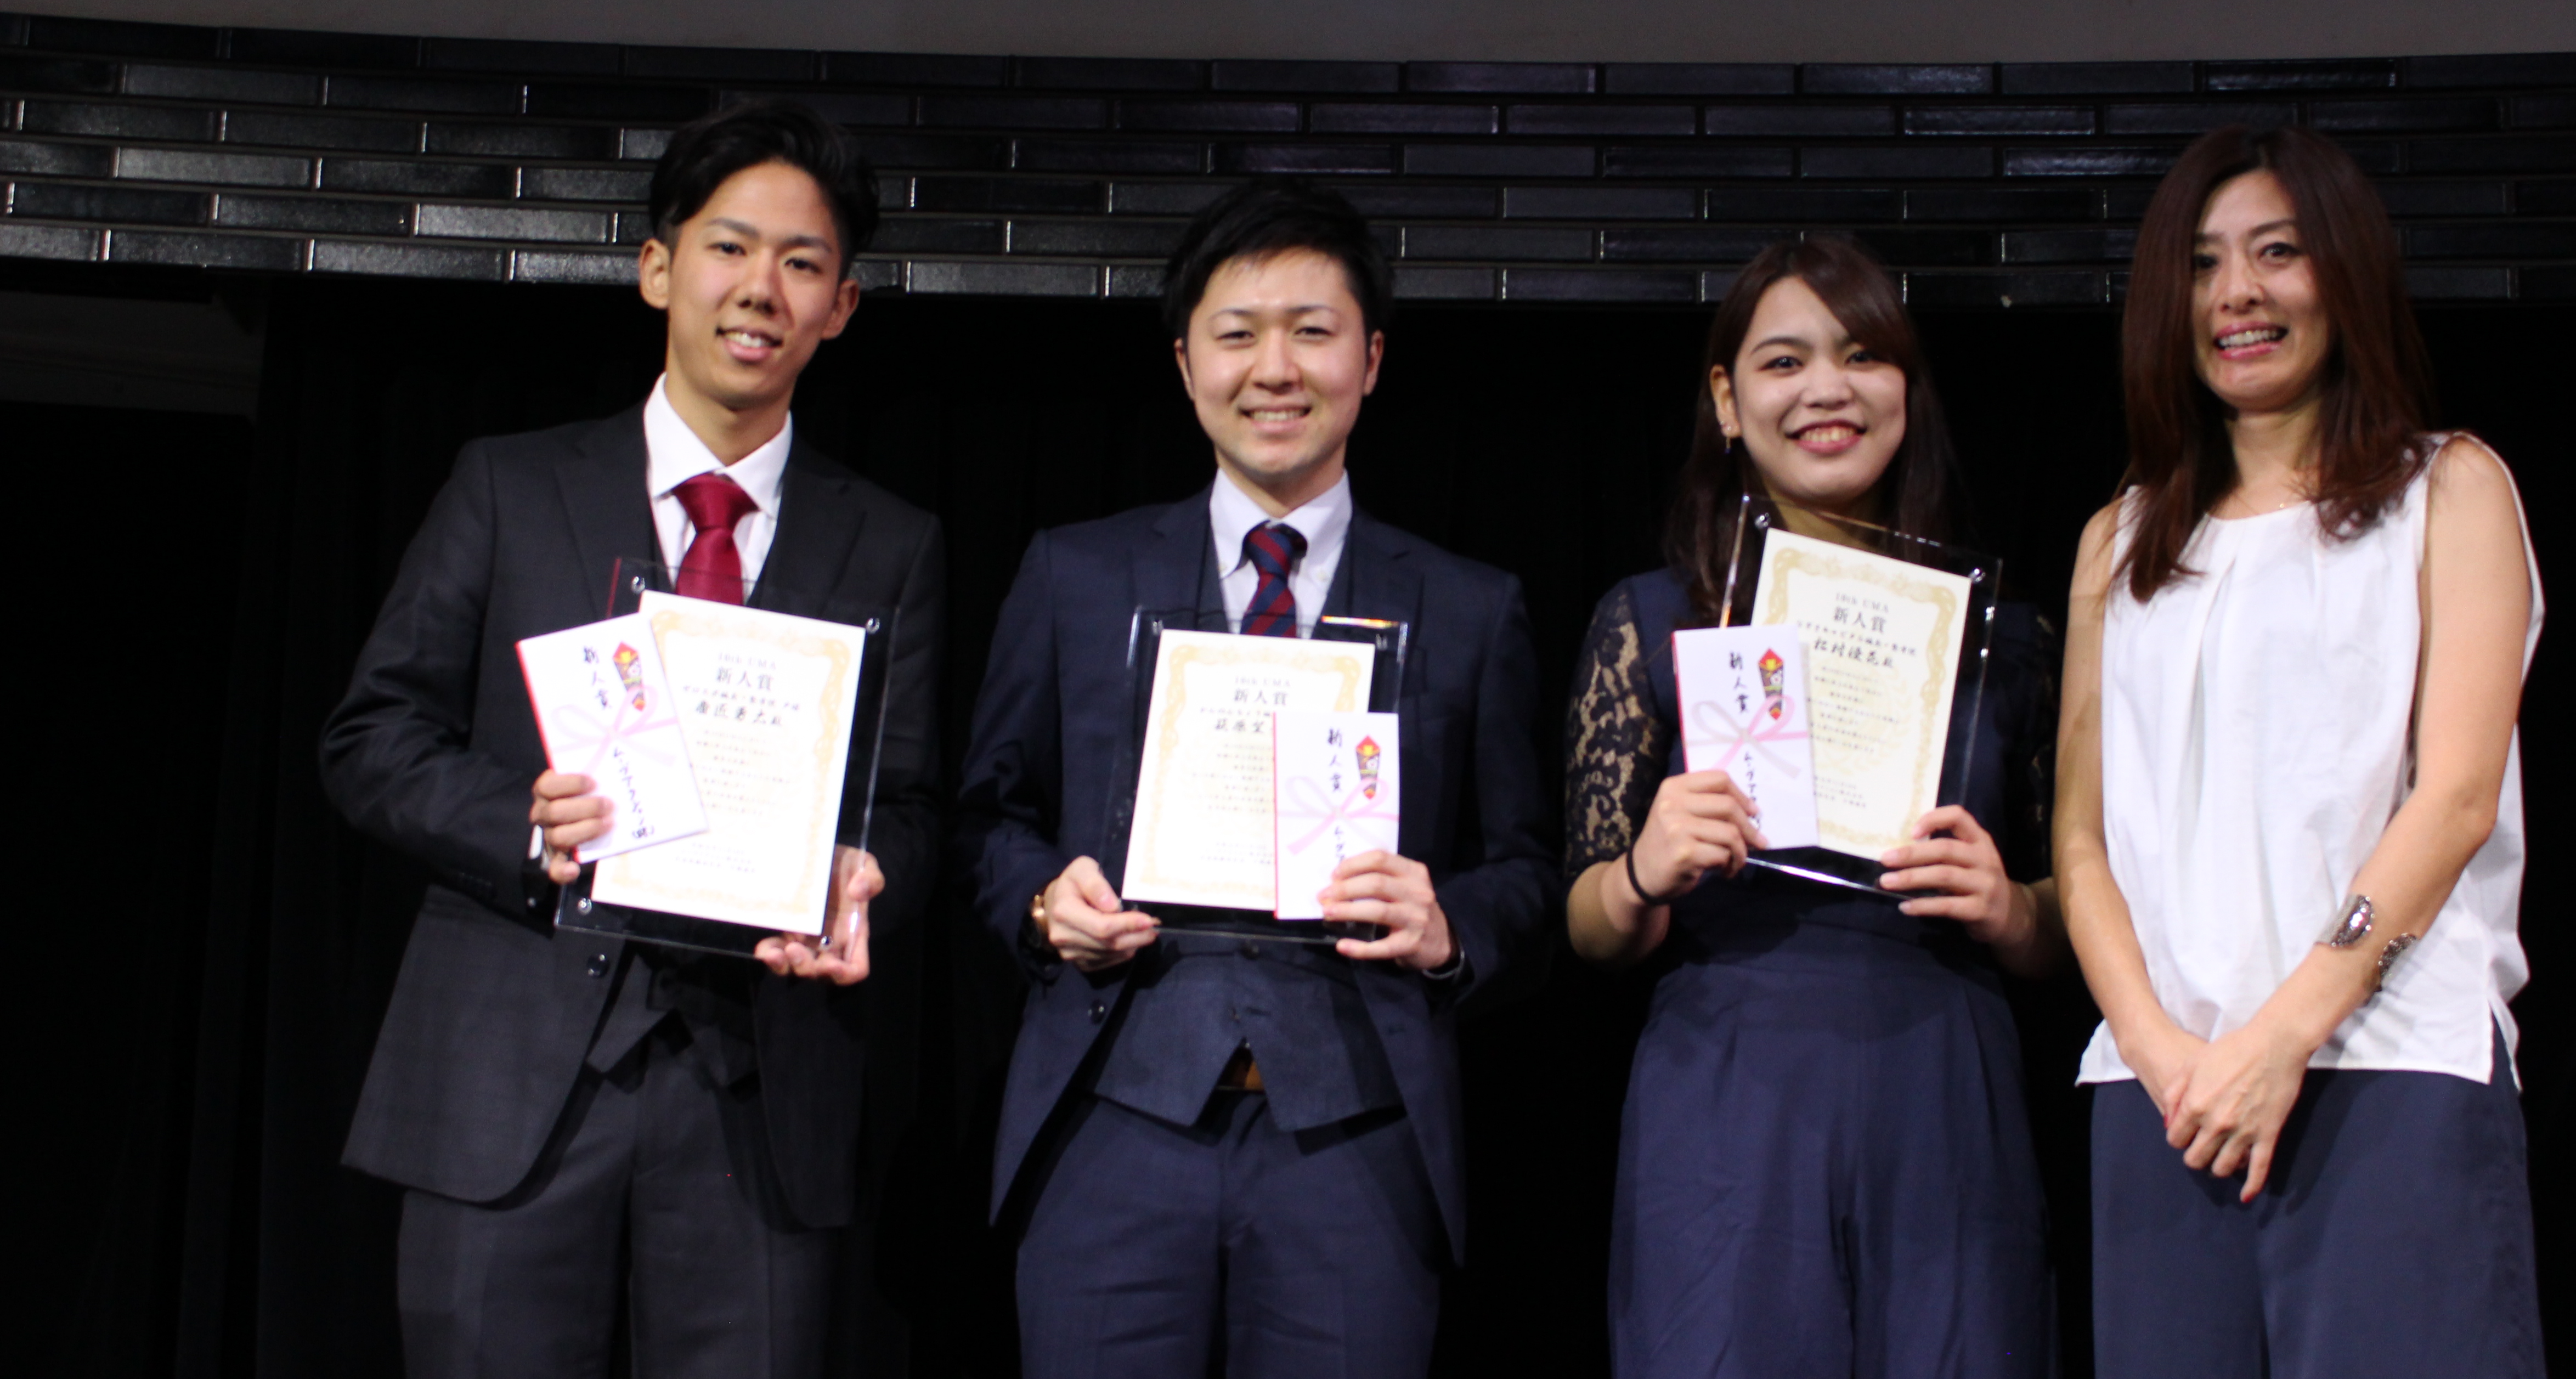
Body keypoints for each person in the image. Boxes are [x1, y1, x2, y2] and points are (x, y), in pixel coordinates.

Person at [320, 99, 944, 1378]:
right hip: (508, 1076)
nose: (760, 288)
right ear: (658, 267)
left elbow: (915, 803)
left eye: (802, 262)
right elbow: (372, 736)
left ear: (841, 306)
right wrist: (523, 824)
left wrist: (867, 873)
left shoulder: (891, 541)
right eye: (729, 247)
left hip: (759, 1096)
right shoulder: (510, 484)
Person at [955, 179, 1555, 1378]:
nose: (1274, 368)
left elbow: (1528, 867)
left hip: (1359, 1138)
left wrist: (1448, 927)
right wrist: (1043, 903)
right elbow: (989, 818)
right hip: (1111, 1119)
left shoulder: (1470, 605)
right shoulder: (1076, 575)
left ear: (1370, 360)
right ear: (1187, 366)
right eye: (1237, 334)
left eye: (1312, 331)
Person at [2052, 125, 2546, 1377]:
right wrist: (2162, 1052)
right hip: (2164, 1097)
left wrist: (2282, 1039)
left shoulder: (2451, 489)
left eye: (2278, 252)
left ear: (2346, 271)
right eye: (2203, 263)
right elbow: (2081, 841)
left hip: (2389, 1067)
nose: (2238, 293)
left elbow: (2456, 799)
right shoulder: (2118, 540)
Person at [1564, 235, 2067, 1378]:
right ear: (1726, 400)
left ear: (1908, 388)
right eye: (1784, 361)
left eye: (1863, 355)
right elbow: (1587, 926)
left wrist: (2011, 908)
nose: (1827, 389)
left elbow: (2072, 920)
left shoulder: (2008, 640)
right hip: (1728, 1083)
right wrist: (1642, 872)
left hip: (1944, 1083)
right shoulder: (1651, 619)